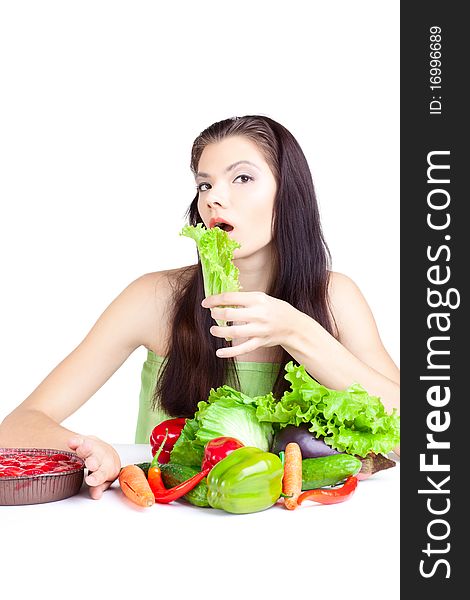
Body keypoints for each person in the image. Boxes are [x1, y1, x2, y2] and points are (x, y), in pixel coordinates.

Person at [0, 115, 400, 499]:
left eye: (242, 178)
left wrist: (297, 333)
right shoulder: (154, 297)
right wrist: (85, 449)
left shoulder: (336, 299)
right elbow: (16, 427)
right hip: (163, 524)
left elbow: (416, 441)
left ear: (290, 193)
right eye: (204, 185)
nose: (214, 198)